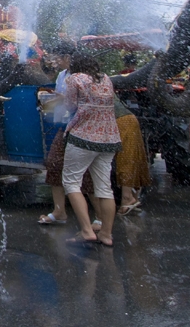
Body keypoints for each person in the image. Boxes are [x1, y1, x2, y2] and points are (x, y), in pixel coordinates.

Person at [62, 53, 121, 247]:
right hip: (109, 139)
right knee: (104, 187)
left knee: (71, 182)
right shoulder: (106, 79)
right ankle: (106, 234)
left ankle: (87, 230)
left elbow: (70, 106)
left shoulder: (75, 79)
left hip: (83, 137)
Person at [38, 41, 79, 225]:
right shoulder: (62, 75)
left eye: (58, 58)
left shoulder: (81, 76)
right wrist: (48, 102)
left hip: (80, 127)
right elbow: (61, 99)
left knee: (84, 172)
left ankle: (99, 218)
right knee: (54, 164)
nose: (55, 61)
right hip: (64, 125)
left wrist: (63, 99)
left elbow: (80, 101)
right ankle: (59, 210)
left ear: (67, 57)